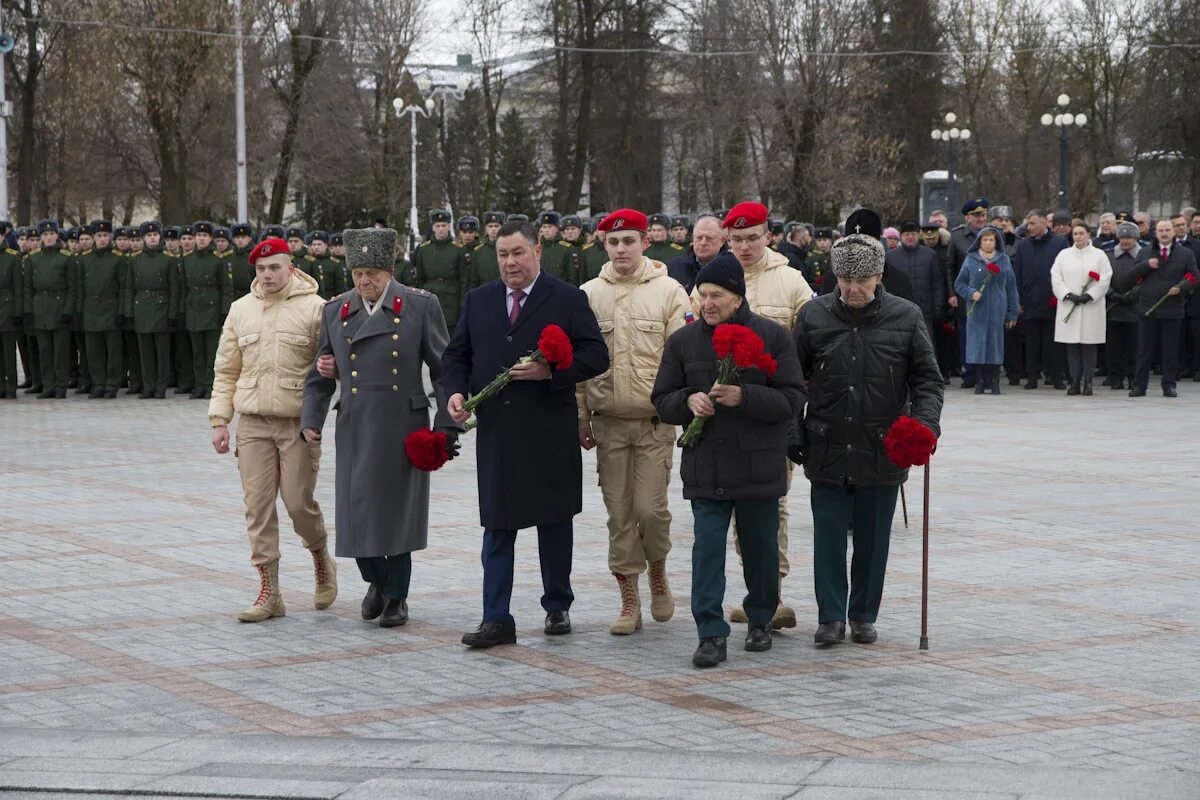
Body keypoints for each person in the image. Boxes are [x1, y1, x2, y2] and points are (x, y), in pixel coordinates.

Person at [443, 220, 608, 648]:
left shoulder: (568, 298)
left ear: (537, 250)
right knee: (497, 526)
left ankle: (557, 604)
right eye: (502, 254)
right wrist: (456, 392)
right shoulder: (479, 299)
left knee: (554, 522)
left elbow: (595, 354)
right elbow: (457, 354)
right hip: (499, 432)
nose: (510, 262)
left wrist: (550, 370)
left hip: (549, 430)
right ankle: (496, 617)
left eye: (518, 253)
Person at [791, 210, 944, 646]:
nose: (853, 290)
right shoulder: (814, 316)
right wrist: (793, 431)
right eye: (845, 281)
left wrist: (923, 426)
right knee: (829, 540)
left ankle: (862, 615)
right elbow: (790, 380)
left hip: (884, 447)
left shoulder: (906, 316)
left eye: (862, 281)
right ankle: (830, 617)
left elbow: (928, 381)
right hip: (827, 445)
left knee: (874, 542)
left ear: (879, 276)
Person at [652, 252, 805, 667]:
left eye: (716, 295)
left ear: (738, 297)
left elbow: (793, 398)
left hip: (758, 466)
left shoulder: (773, 337)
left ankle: (760, 619)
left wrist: (746, 396)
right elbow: (662, 401)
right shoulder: (683, 342)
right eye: (702, 295)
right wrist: (688, 400)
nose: (707, 303)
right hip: (708, 466)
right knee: (707, 552)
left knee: (760, 550)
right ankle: (711, 633)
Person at [302, 228, 459, 627]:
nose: (363, 281)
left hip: (402, 422)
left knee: (396, 513)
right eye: (357, 273)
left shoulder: (421, 306)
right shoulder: (335, 310)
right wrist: (311, 421)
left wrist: (446, 425)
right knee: (357, 512)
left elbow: (443, 371)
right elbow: (320, 374)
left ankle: (397, 596)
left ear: (390, 271)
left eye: (372, 273)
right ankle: (376, 579)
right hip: (355, 422)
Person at [693, 201, 813, 630]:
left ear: (769, 236)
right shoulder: (712, 280)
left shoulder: (792, 282)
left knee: (771, 507)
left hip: (768, 415)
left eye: (752, 238)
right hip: (720, 423)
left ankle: (771, 592)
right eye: (737, 239)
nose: (745, 246)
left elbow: (809, 346)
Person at [577, 209, 692, 635]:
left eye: (629, 241)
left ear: (645, 241)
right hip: (609, 425)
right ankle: (629, 597)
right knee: (619, 514)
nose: (621, 249)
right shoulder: (589, 294)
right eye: (613, 242)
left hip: (653, 423)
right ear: (603, 245)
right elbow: (580, 368)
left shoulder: (670, 292)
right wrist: (581, 418)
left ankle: (658, 569)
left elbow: (683, 358)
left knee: (651, 509)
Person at [210, 235, 336, 622]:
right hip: (253, 424)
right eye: (261, 269)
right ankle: (270, 592)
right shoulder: (240, 310)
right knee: (258, 508)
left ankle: (319, 557)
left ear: (291, 267)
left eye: (274, 267)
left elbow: (332, 366)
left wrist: (319, 415)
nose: (267, 275)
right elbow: (226, 369)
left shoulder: (318, 309)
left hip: (298, 424)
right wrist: (220, 419)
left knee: (298, 504)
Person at [1124, 219, 1200, 397]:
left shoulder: (1185, 254)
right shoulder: (1144, 252)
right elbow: (1130, 276)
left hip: (1173, 309)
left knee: (1170, 350)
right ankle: (1140, 385)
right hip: (1147, 308)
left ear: (1173, 232)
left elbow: (1194, 278)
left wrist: (1181, 288)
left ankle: (1169, 384)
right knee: (1144, 350)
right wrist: (1145, 265)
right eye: (1160, 231)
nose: (1164, 233)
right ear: (1155, 233)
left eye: (1167, 230)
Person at [954, 226, 1019, 394]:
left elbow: (1011, 287)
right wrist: (971, 293)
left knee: (995, 345)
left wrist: (1013, 312)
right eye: (985, 240)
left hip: (998, 310)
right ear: (979, 242)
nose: (989, 243)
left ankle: (995, 380)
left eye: (992, 240)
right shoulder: (971, 259)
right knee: (978, 344)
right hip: (977, 312)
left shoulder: (1003, 260)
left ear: (996, 242)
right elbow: (959, 283)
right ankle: (980, 380)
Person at [1050, 223, 1112, 395]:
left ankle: (1089, 381)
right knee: (1072, 346)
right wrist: (1067, 294)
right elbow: (1056, 277)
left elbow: (1105, 278)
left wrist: (1090, 295)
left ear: (1088, 235)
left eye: (1081, 233)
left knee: (1089, 345)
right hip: (1070, 304)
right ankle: (1075, 380)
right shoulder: (1064, 255)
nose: (1078, 236)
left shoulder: (1099, 255)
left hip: (1091, 306)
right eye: (1075, 233)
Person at [1014, 209, 1069, 390]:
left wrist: (1061, 295)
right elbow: (1018, 274)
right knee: (1031, 342)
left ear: (1045, 223)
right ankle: (1032, 376)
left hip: (1052, 300)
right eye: (1028, 224)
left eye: (1033, 224)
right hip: (1029, 301)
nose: (1029, 228)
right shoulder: (1023, 246)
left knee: (1053, 342)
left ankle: (1056, 376)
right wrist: (1019, 301)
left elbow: (1065, 272)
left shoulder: (1059, 243)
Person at [123, 221, 179, 399]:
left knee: (162, 352)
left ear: (159, 236)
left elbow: (174, 289)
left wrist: (172, 314)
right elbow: (129, 289)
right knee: (145, 351)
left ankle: (161, 386)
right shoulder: (135, 260)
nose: (152, 238)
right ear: (144, 238)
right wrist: (129, 313)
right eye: (148, 235)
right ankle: (148, 385)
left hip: (161, 307)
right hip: (142, 309)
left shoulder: (168, 260)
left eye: (155, 235)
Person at [24, 220, 75, 398]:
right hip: (40, 307)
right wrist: (28, 311)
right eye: (45, 235)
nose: (48, 237)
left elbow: (71, 287)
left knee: (60, 350)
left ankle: (60, 386)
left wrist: (68, 310)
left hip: (59, 306)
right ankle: (48, 385)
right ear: (41, 237)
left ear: (57, 235)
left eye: (51, 234)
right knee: (44, 350)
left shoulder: (66, 257)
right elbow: (27, 288)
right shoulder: (32, 258)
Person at [181, 221, 232, 399]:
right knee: (197, 352)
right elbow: (182, 288)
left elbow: (226, 287)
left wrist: (224, 311)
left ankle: (211, 385)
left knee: (212, 352)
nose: (201, 239)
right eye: (198, 236)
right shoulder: (187, 259)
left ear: (210, 238)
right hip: (193, 308)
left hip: (212, 308)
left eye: (205, 236)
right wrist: (182, 311)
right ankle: (199, 384)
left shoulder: (218, 259)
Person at [77, 220, 125, 398]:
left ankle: (112, 384)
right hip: (91, 309)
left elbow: (124, 288)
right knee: (93, 350)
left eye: (105, 235)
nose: (103, 239)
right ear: (93, 237)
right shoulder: (85, 259)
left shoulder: (118, 259)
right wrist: (78, 311)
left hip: (111, 308)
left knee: (112, 351)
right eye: (99, 236)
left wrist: (122, 311)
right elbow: (79, 287)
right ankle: (98, 383)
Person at [947, 198, 991, 388]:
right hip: (966, 295)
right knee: (967, 335)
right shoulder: (956, 237)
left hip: (989, 294)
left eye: (983, 214)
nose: (981, 218)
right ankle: (970, 373)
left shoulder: (993, 235)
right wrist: (952, 293)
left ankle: (988, 374)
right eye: (976, 215)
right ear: (968, 217)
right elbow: (949, 267)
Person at [885, 220, 945, 345]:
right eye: (907, 234)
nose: (910, 237)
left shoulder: (930, 254)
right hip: (898, 312)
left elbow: (937, 283)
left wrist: (938, 306)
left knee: (925, 347)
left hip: (924, 311)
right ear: (901, 237)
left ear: (919, 235)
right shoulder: (890, 256)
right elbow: (886, 284)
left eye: (913, 234)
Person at [412, 210, 467, 332]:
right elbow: (420, 278)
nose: (441, 229)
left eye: (444, 225)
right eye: (438, 226)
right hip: (430, 294)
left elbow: (463, 279)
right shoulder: (423, 249)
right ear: (433, 227)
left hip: (451, 298)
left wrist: (462, 302)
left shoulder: (458, 249)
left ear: (449, 226)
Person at [1105, 222, 1142, 390]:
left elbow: (1147, 278)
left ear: (1136, 238)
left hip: (1135, 308)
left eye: (1129, 238)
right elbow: (1103, 278)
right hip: (1114, 308)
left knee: (1133, 346)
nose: (1125, 241)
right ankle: (1115, 377)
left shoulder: (1143, 255)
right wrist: (1112, 294)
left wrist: (1133, 295)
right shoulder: (1109, 256)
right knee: (1114, 346)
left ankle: (1133, 376)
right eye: (1122, 237)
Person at [666, 213, 725, 292]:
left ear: (722, 241)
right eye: (699, 238)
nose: (703, 243)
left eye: (709, 238)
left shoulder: (734, 267)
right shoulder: (673, 267)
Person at [0, 237, 20, 398]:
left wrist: (18, 312)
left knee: (8, 351)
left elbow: (18, 288)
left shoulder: (12, 257)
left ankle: (11, 385)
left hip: (7, 306)